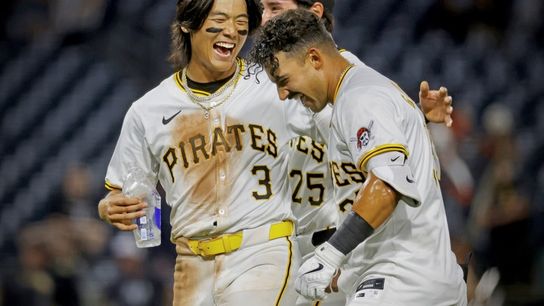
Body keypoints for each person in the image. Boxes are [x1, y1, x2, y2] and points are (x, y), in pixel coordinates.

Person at [250, 9, 467, 305]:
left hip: (400, 280)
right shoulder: (363, 90)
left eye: (284, 79)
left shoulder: (360, 97)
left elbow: (388, 184)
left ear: (314, 59)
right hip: (415, 273)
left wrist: (330, 254)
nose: (282, 94)